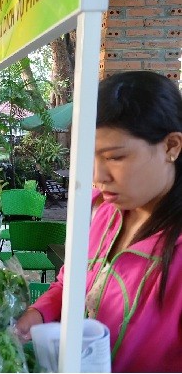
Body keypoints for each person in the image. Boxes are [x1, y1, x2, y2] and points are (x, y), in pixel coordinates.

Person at [15, 71, 182, 372]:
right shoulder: (98, 211)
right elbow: (71, 283)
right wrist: (39, 314)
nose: (97, 176)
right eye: (90, 157)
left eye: (115, 157)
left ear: (171, 146)